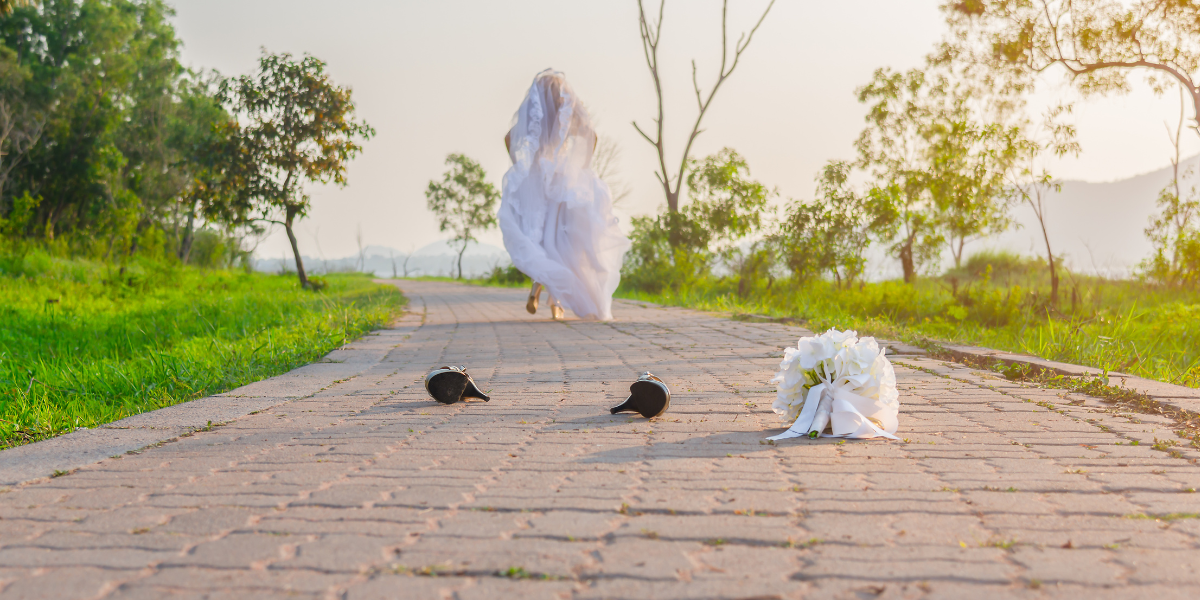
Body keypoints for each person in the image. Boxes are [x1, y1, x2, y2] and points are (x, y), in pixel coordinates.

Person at [499, 69, 630, 321]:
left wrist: (520, 166)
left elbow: (508, 137)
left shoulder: (535, 114)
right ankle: (554, 302)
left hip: (537, 178)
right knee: (559, 240)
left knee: (541, 240)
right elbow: (591, 135)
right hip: (561, 179)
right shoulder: (567, 114)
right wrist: (583, 168)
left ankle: (538, 291)